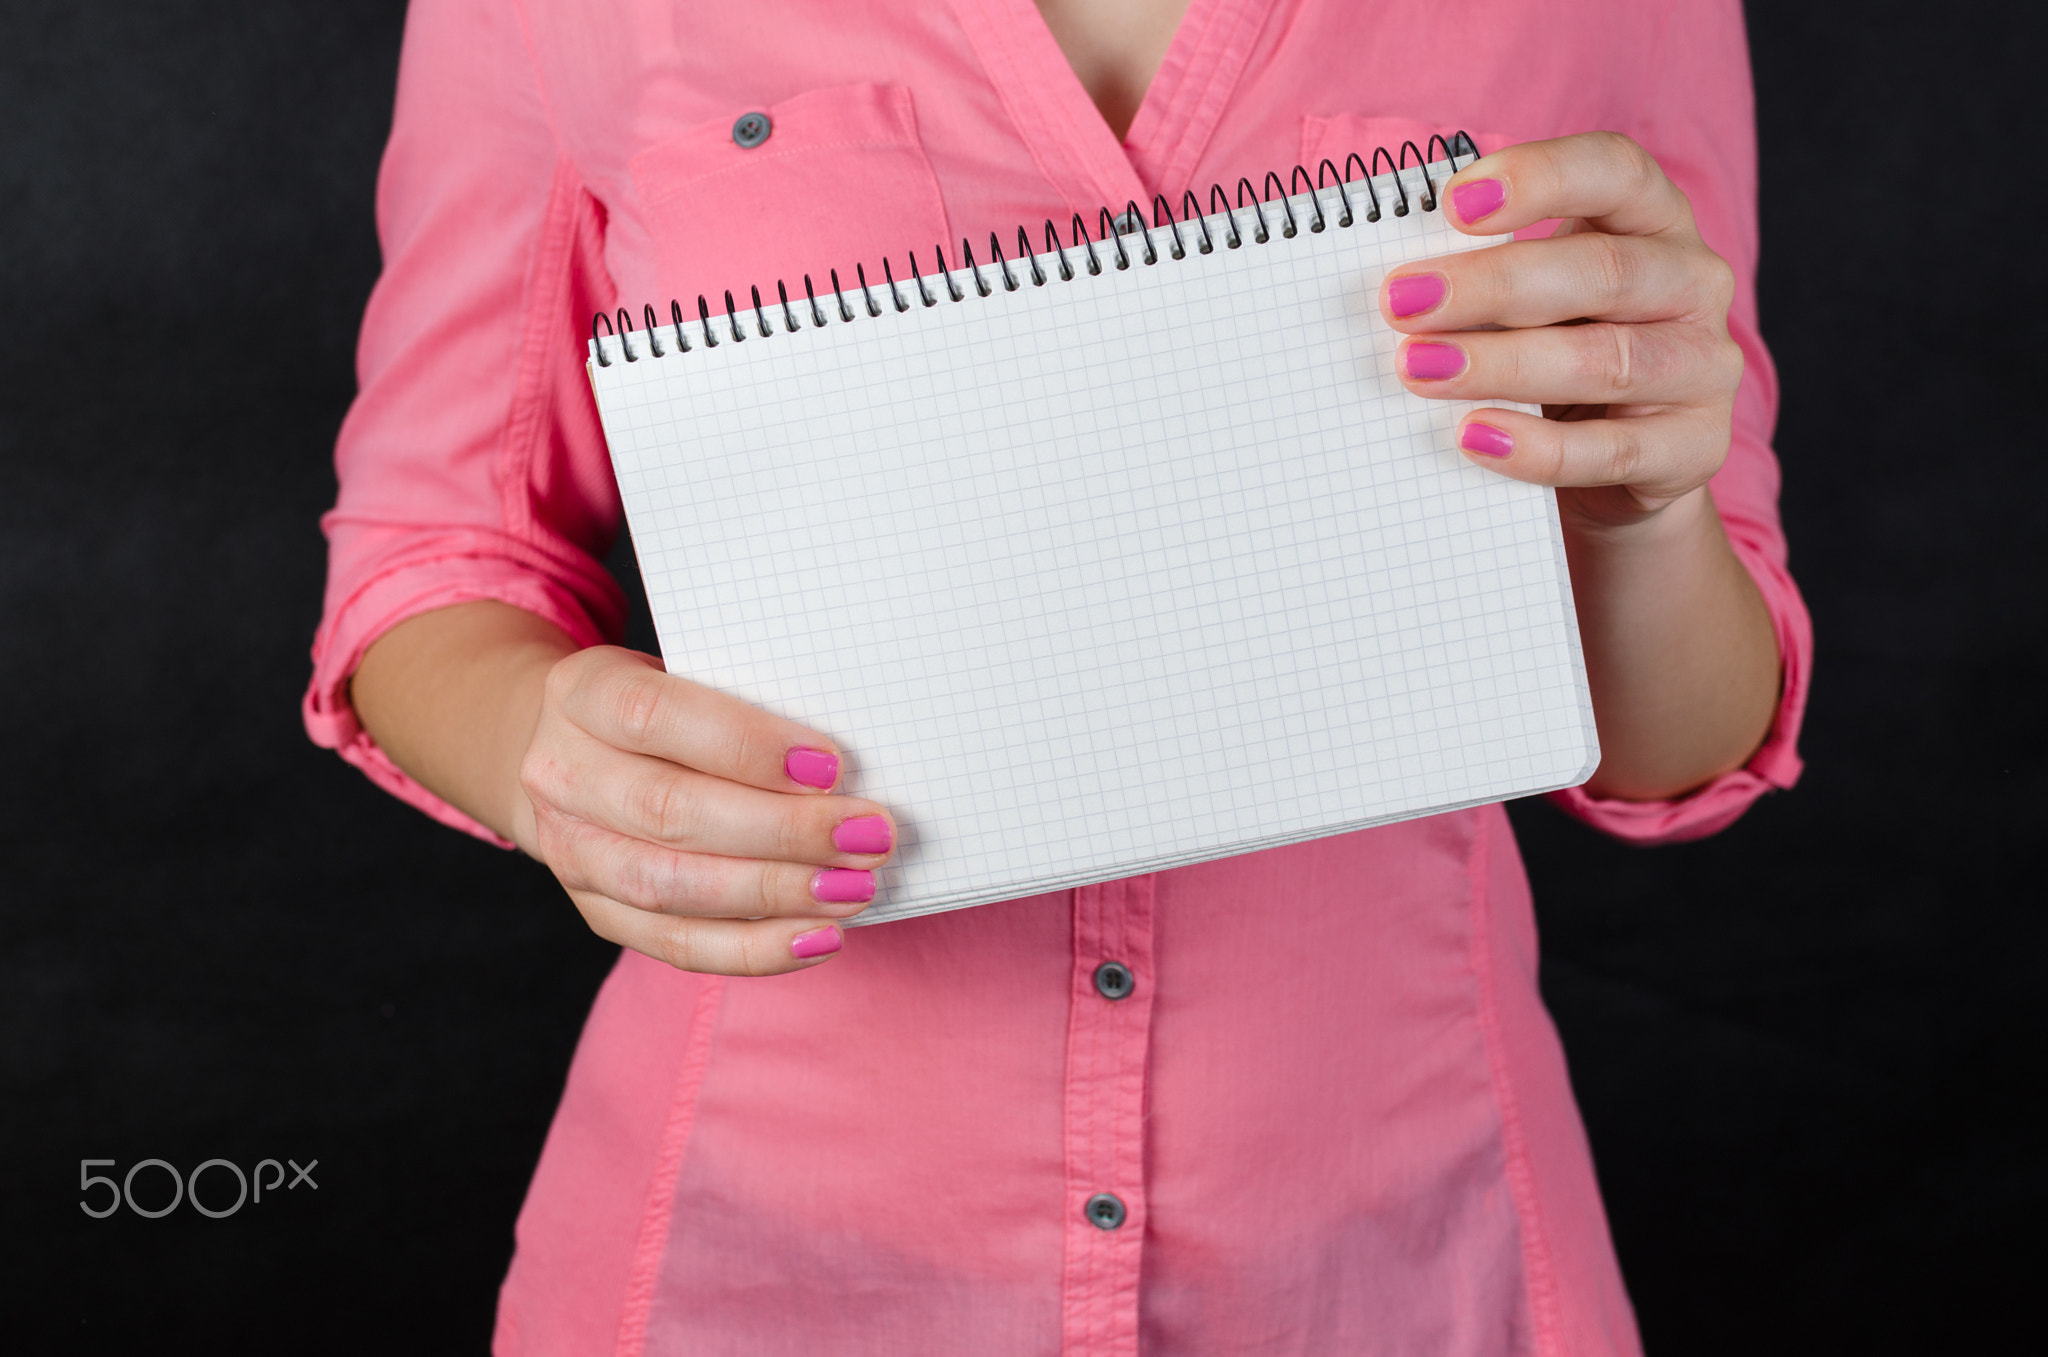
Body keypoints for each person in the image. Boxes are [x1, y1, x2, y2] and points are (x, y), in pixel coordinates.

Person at [306, 1, 1809, 1351]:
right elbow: (433, 551)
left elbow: (1678, 746)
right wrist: (545, 754)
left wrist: (1647, 511)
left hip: (1405, 1261)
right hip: (759, 1258)